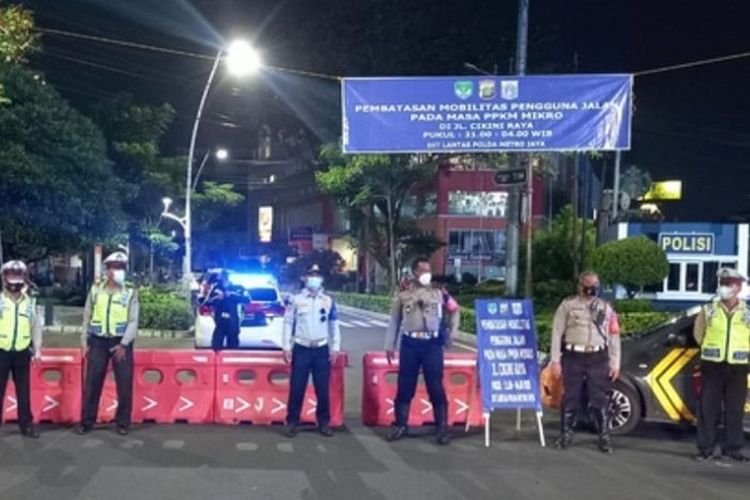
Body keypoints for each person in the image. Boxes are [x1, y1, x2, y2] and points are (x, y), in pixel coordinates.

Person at [385, 257, 459, 445]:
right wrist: (389, 345)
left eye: (429, 270)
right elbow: (394, 321)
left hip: (432, 345)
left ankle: (441, 429)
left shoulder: (438, 293)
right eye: (423, 270)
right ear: (414, 273)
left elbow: (454, 309)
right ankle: (401, 425)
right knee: (405, 386)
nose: (427, 274)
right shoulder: (403, 294)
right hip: (410, 344)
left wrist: (453, 332)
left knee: (435, 386)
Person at [550, 271, 620, 454]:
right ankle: (565, 435)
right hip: (574, 356)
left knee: (599, 398)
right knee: (570, 397)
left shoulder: (606, 307)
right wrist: (555, 360)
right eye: (588, 285)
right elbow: (556, 333)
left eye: (595, 285)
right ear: (580, 286)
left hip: (598, 357)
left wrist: (615, 363)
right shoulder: (568, 305)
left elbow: (613, 336)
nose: (592, 288)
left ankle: (604, 437)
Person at [78, 251, 139, 436]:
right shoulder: (96, 290)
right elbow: (87, 316)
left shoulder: (130, 292)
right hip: (98, 342)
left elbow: (133, 321)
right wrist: (84, 341)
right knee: (92, 383)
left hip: (121, 343)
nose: (118, 270)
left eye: (121, 267)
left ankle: (123, 423)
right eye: (114, 267)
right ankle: (87, 421)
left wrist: (124, 344)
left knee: (124, 384)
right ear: (107, 270)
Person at [693, 268, 750, 463]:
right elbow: (698, 334)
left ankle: (732, 449)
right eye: (722, 283)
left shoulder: (748, 313)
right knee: (708, 409)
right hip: (712, 366)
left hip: (738, 367)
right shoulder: (708, 310)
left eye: (728, 284)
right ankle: (706, 449)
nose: (724, 287)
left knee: (735, 410)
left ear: (738, 287)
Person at [282, 264, 341, 438]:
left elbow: (334, 325)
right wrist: (286, 346)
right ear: (304, 278)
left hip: (321, 349)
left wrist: (335, 347)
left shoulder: (328, 301)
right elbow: (288, 323)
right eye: (310, 275)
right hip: (301, 348)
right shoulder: (295, 300)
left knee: (322, 390)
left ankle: (323, 423)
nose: (314, 278)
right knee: (297, 388)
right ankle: (292, 422)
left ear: (321, 279)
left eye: (317, 275)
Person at [0, 260, 42, 438]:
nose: (14, 279)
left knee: (23, 391)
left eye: (18, 275)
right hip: (1, 351)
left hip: (22, 351)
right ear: (4, 277)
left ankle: (26, 425)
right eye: (11, 274)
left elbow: (36, 327)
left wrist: (38, 350)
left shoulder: (30, 303)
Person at [207, 271, 248, 350]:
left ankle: (232, 356)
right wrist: (218, 297)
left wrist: (232, 295)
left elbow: (247, 299)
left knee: (233, 344)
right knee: (216, 344)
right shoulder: (216, 288)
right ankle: (217, 356)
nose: (223, 278)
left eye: (225, 276)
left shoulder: (237, 288)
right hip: (220, 321)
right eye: (222, 276)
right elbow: (209, 301)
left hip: (232, 320)